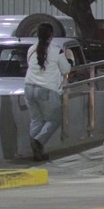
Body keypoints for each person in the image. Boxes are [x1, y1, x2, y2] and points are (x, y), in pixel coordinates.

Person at [24, 23, 73, 162]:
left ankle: (37, 152)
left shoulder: (31, 49)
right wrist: (68, 61)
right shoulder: (56, 51)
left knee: (36, 120)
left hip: (28, 87)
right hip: (46, 90)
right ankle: (38, 141)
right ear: (51, 35)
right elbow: (66, 70)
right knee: (55, 119)